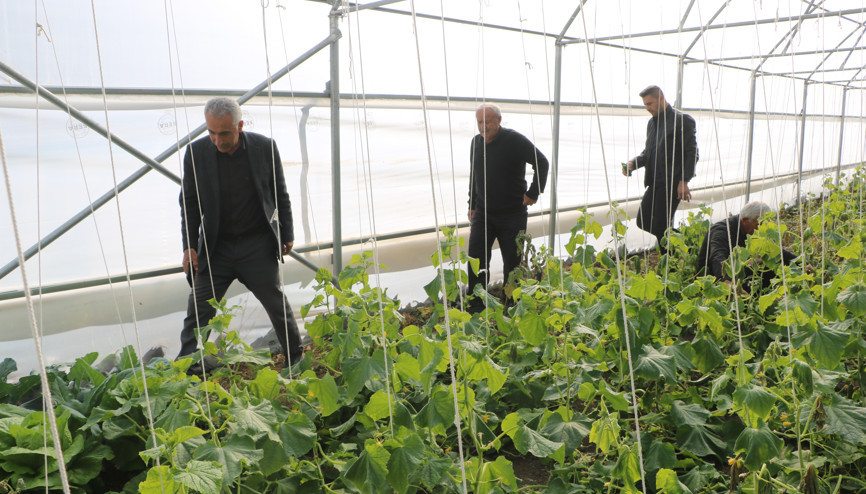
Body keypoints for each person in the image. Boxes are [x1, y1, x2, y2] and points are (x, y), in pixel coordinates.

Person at [178, 97, 303, 371]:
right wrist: (189, 246)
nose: (217, 140)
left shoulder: (264, 148)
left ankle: (297, 359)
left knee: (275, 303)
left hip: (256, 244)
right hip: (216, 247)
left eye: (224, 133)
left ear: (240, 126)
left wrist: (287, 233)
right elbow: (189, 202)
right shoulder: (196, 153)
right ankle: (187, 369)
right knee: (199, 309)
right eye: (211, 132)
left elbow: (280, 193)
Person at [467, 104, 549, 305]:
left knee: (512, 265)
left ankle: (511, 307)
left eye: (488, 121)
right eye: (479, 122)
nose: (483, 126)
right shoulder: (476, 142)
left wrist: (533, 192)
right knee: (476, 261)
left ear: (499, 120)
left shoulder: (514, 140)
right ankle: (476, 307)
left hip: (512, 214)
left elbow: (542, 161)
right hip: (484, 214)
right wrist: (472, 204)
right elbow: (474, 176)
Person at [623, 85, 698, 250]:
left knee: (662, 226)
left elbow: (692, 153)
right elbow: (648, 153)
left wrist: (684, 181)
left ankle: (670, 263)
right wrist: (633, 163)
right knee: (643, 221)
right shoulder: (652, 124)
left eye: (650, 103)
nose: (647, 108)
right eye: (645, 105)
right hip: (654, 183)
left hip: (672, 184)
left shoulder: (682, 120)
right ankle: (687, 246)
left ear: (662, 99)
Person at [696, 201, 796, 289]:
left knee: (770, 266)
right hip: (714, 279)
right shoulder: (721, 231)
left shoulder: (753, 230)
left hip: (738, 272)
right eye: (758, 225)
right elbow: (718, 257)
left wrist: (799, 262)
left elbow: (775, 251)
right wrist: (727, 281)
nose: (760, 229)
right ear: (744, 220)